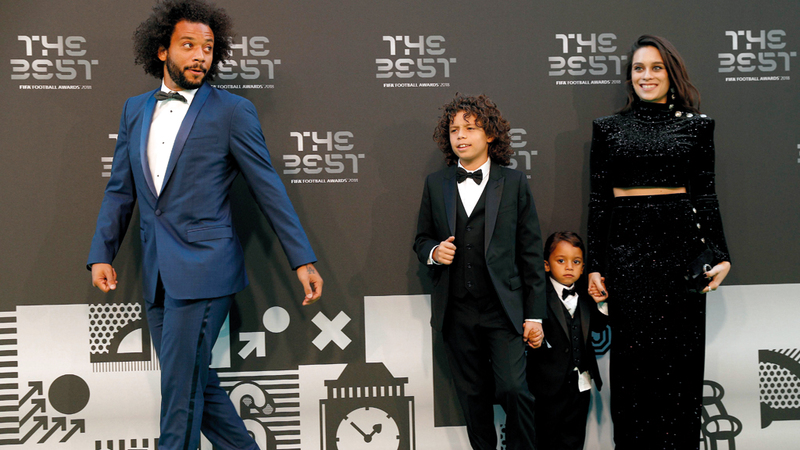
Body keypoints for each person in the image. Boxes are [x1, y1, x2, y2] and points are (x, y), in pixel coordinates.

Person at [86, 1, 323, 449]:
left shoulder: (232, 111)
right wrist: (102, 251)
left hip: (205, 268)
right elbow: (120, 189)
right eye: (189, 45)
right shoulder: (134, 110)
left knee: (179, 393)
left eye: (208, 48)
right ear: (162, 50)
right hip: (157, 274)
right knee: (195, 384)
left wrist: (301, 259)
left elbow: (268, 188)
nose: (200, 56)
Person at [586, 35, 731, 449]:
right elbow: (599, 201)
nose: (646, 76)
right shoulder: (607, 128)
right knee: (632, 369)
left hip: (681, 254)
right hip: (627, 254)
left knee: (680, 367)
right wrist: (595, 264)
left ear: (671, 73)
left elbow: (706, 194)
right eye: (638, 68)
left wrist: (720, 254)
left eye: (655, 67)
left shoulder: (698, 126)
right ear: (629, 76)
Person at [413, 94, 546, 450]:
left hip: (503, 310)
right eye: (454, 129)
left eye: (470, 128)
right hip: (456, 310)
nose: (461, 135)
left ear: (490, 134)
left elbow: (531, 253)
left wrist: (535, 316)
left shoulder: (514, 182)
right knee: (473, 398)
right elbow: (421, 240)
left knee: (514, 389)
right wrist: (434, 252)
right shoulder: (436, 183)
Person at [526, 231, 608, 450]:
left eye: (576, 262)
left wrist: (601, 303)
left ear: (583, 267)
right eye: (561, 261)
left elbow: (599, 327)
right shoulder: (537, 296)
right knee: (546, 439)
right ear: (546, 265)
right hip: (547, 386)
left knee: (575, 439)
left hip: (581, 384)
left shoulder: (587, 295)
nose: (569, 267)